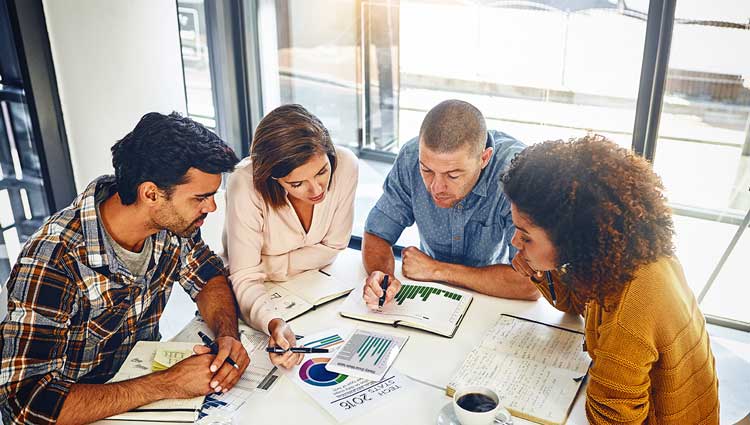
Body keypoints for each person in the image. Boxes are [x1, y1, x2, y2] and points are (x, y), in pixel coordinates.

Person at [0, 112, 249, 424]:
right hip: (75, 411)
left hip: (137, 392)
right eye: (201, 197)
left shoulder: (172, 225)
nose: (211, 207)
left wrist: (228, 335)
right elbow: (26, 403)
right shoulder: (53, 260)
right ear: (151, 194)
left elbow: (208, 276)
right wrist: (167, 384)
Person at [502, 135, 719, 424]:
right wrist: (542, 268)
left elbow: (611, 419)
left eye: (526, 236)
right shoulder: (622, 258)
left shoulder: (632, 304)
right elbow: (574, 304)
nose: (515, 241)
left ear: (572, 239)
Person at [361, 99, 539, 308]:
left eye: (452, 175)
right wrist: (382, 278)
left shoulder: (518, 173)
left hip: (492, 299)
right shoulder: (411, 157)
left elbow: (531, 284)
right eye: (427, 171)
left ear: (484, 158)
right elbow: (376, 233)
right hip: (430, 295)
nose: (436, 187)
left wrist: (437, 269)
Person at [223, 104, 358, 367]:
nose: (317, 188)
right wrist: (273, 322)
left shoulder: (345, 165)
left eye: (322, 171)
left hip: (319, 292)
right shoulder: (245, 185)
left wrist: (267, 264)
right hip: (261, 299)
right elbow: (245, 278)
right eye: (297, 184)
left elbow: (334, 245)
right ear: (272, 179)